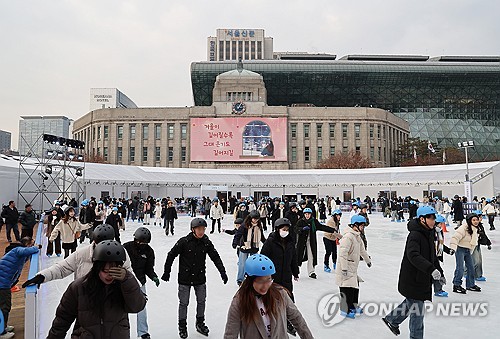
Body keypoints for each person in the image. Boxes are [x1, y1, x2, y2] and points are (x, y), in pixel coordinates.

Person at [46, 240, 146, 338]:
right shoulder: (79, 287)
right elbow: (62, 321)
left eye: (113, 271)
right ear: (97, 268)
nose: (109, 276)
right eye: (105, 271)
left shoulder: (123, 286)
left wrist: (127, 279)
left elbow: (137, 306)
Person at [382, 206, 443, 339]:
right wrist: (431, 269)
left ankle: (392, 319)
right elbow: (413, 255)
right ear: (422, 219)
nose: (433, 221)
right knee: (417, 312)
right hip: (413, 279)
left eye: (434, 218)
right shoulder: (415, 235)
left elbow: (432, 256)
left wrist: (440, 272)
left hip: (421, 278)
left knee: (412, 302)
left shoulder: (429, 233)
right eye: (430, 218)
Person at [162, 218, 228, 338]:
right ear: (193, 229)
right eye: (199, 229)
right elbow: (171, 254)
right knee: (184, 303)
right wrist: (167, 271)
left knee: (201, 301)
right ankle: (182, 326)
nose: (201, 232)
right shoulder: (184, 242)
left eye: (203, 229)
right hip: (185, 278)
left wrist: (222, 272)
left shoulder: (206, 242)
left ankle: (200, 323)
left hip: (199, 277)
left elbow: (215, 257)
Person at [223, 254, 313, 339]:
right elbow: (230, 334)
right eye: (260, 281)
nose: (265, 285)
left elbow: (297, 318)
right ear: (250, 280)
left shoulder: (280, 294)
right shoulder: (240, 301)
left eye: (269, 279)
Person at [23, 224, 132, 288]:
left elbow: (130, 276)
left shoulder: (121, 254)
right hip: (87, 306)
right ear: (94, 241)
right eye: (100, 244)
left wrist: (127, 278)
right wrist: (42, 276)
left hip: (112, 308)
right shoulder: (82, 254)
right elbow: (62, 268)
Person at [260, 218, 300, 336]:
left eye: (287, 229)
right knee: (271, 300)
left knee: (289, 300)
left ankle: (288, 322)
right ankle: (269, 322)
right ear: (277, 229)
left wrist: (295, 272)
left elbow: (294, 258)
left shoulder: (290, 242)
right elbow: (263, 258)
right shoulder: (270, 241)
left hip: (286, 276)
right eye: (283, 229)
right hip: (273, 277)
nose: (285, 231)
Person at [123, 227, 160, 339]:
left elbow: (148, 268)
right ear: (135, 239)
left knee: (142, 307)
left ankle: (143, 332)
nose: (142, 244)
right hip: (124, 281)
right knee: (122, 307)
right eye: (140, 242)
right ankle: (122, 331)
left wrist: (153, 276)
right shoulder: (126, 247)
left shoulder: (149, 251)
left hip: (140, 282)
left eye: (145, 243)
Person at [0, 237, 40, 339]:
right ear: (27, 244)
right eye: (32, 243)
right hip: (2, 283)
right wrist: (36, 247)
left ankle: (3, 326)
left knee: (3, 306)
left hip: (4, 282)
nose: (33, 245)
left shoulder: (17, 251)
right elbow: (32, 250)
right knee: (5, 306)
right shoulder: (18, 250)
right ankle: (1, 332)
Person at [336, 215, 372, 319]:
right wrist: (344, 269)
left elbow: (362, 250)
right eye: (361, 225)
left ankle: (353, 306)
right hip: (345, 266)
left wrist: (367, 260)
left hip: (352, 267)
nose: (362, 228)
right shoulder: (348, 237)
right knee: (345, 288)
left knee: (354, 287)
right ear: (355, 225)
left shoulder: (357, 236)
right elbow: (342, 254)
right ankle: (345, 309)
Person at [295, 208, 336, 279]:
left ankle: (311, 272)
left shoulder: (314, 221)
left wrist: (332, 230)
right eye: (306, 214)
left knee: (312, 256)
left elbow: (321, 227)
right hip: (301, 243)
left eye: (309, 214)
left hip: (311, 242)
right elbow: (295, 229)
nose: (307, 216)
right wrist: (302, 229)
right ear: (304, 215)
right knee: (299, 256)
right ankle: (296, 271)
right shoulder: (301, 221)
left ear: (311, 214)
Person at [450, 213, 482, 293]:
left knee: (471, 268)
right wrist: (453, 248)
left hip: (468, 250)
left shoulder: (476, 229)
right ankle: (456, 285)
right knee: (460, 268)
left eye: (477, 220)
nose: (476, 222)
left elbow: (474, 242)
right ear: (469, 220)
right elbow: (455, 237)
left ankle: (470, 285)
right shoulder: (464, 228)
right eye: (473, 220)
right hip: (460, 249)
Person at [233, 210, 266, 286]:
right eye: (254, 218)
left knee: (254, 264)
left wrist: (266, 243)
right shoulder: (245, 225)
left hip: (254, 247)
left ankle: (253, 278)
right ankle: (240, 279)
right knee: (242, 264)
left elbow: (262, 237)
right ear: (250, 218)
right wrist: (235, 243)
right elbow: (238, 234)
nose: (255, 220)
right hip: (245, 247)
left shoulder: (259, 226)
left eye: (257, 219)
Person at [433, 215, 455, 297]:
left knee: (437, 273)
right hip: (429, 256)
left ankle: (438, 290)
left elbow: (440, 245)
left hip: (436, 257)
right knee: (437, 273)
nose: (441, 226)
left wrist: (448, 250)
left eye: (442, 224)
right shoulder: (431, 232)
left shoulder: (439, 232)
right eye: (440, 224)